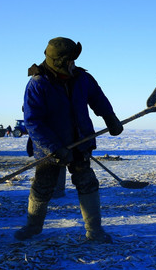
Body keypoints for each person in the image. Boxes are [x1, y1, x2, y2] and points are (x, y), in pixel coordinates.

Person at [15, 37, 123, 243]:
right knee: (43, 186)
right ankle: (32, 227)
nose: (74, 63)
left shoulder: (82, 78)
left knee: (87, 182)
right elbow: (33, 122)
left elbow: (98, 99)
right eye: (70, 60)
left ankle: (95, 231)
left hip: (80, 142)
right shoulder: (37, 84)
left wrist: (110, 118)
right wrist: (54, 148)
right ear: (59, 62)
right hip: (50, 148)